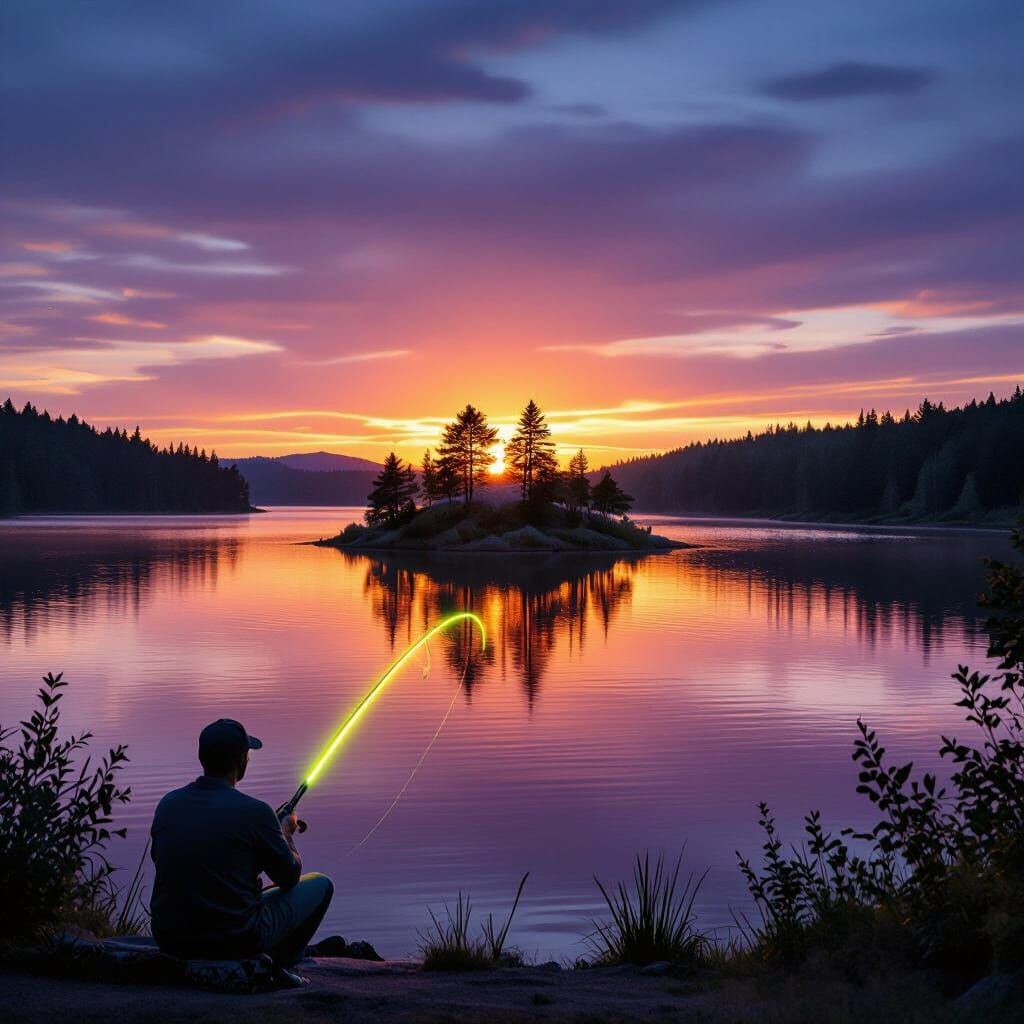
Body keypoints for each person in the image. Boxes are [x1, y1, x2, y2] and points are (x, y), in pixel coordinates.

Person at [150, 718, 333, 986]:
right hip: (233, 939)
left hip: (170, 938)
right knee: (321, 885)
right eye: (247, 754)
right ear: (240, 762)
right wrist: (286, 834)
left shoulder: (167, 805)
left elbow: (166, 861)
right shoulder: (255, 812)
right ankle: (276, 969)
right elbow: (289, 876)